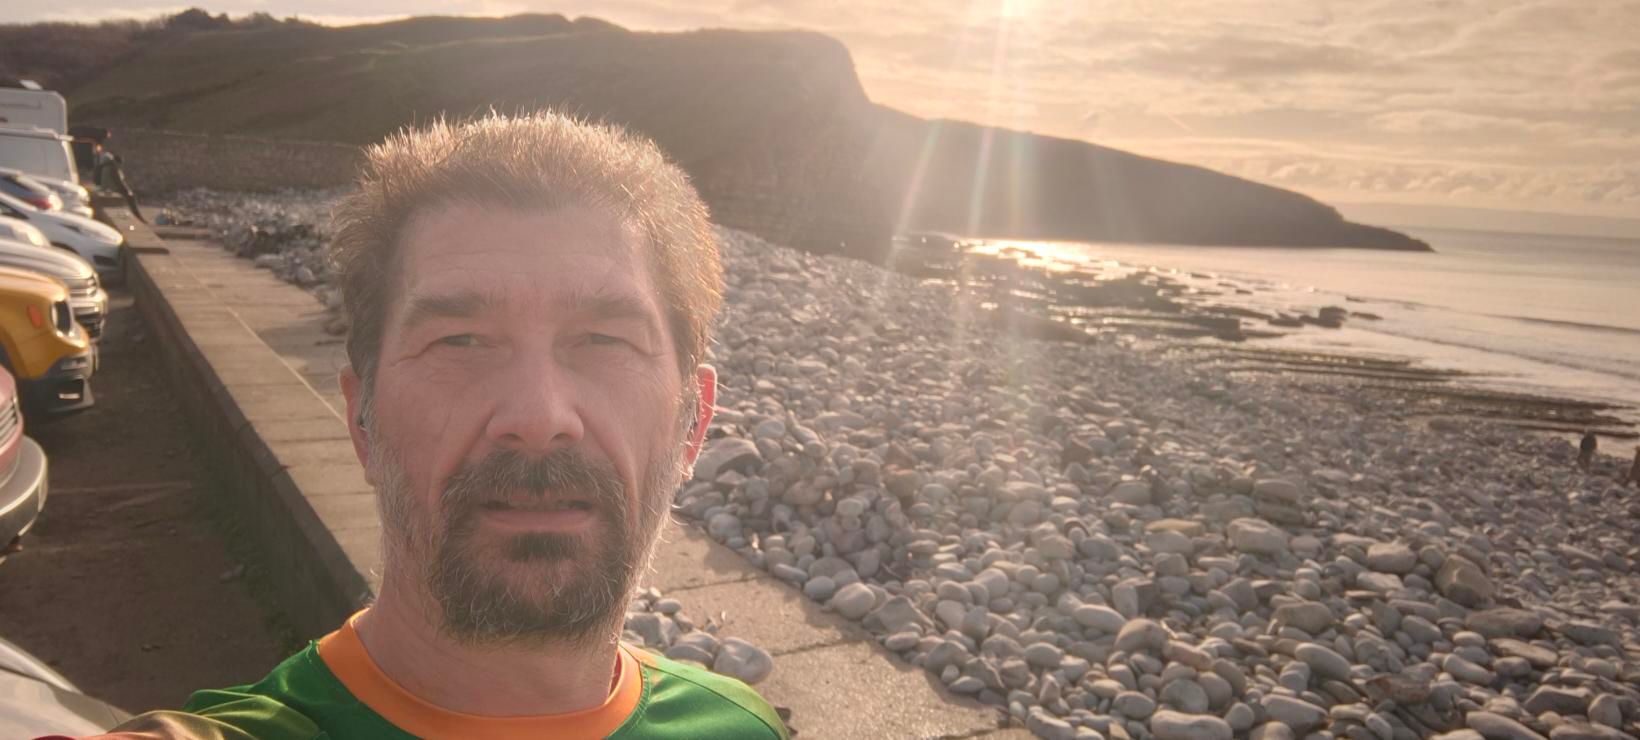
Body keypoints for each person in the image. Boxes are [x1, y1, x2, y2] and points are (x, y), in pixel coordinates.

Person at [65, 112, 787, 739]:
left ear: (693, 424)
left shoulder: (743, 729)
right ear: (363, 421)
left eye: (604, 340)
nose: (538, 418)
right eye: (459, 341)